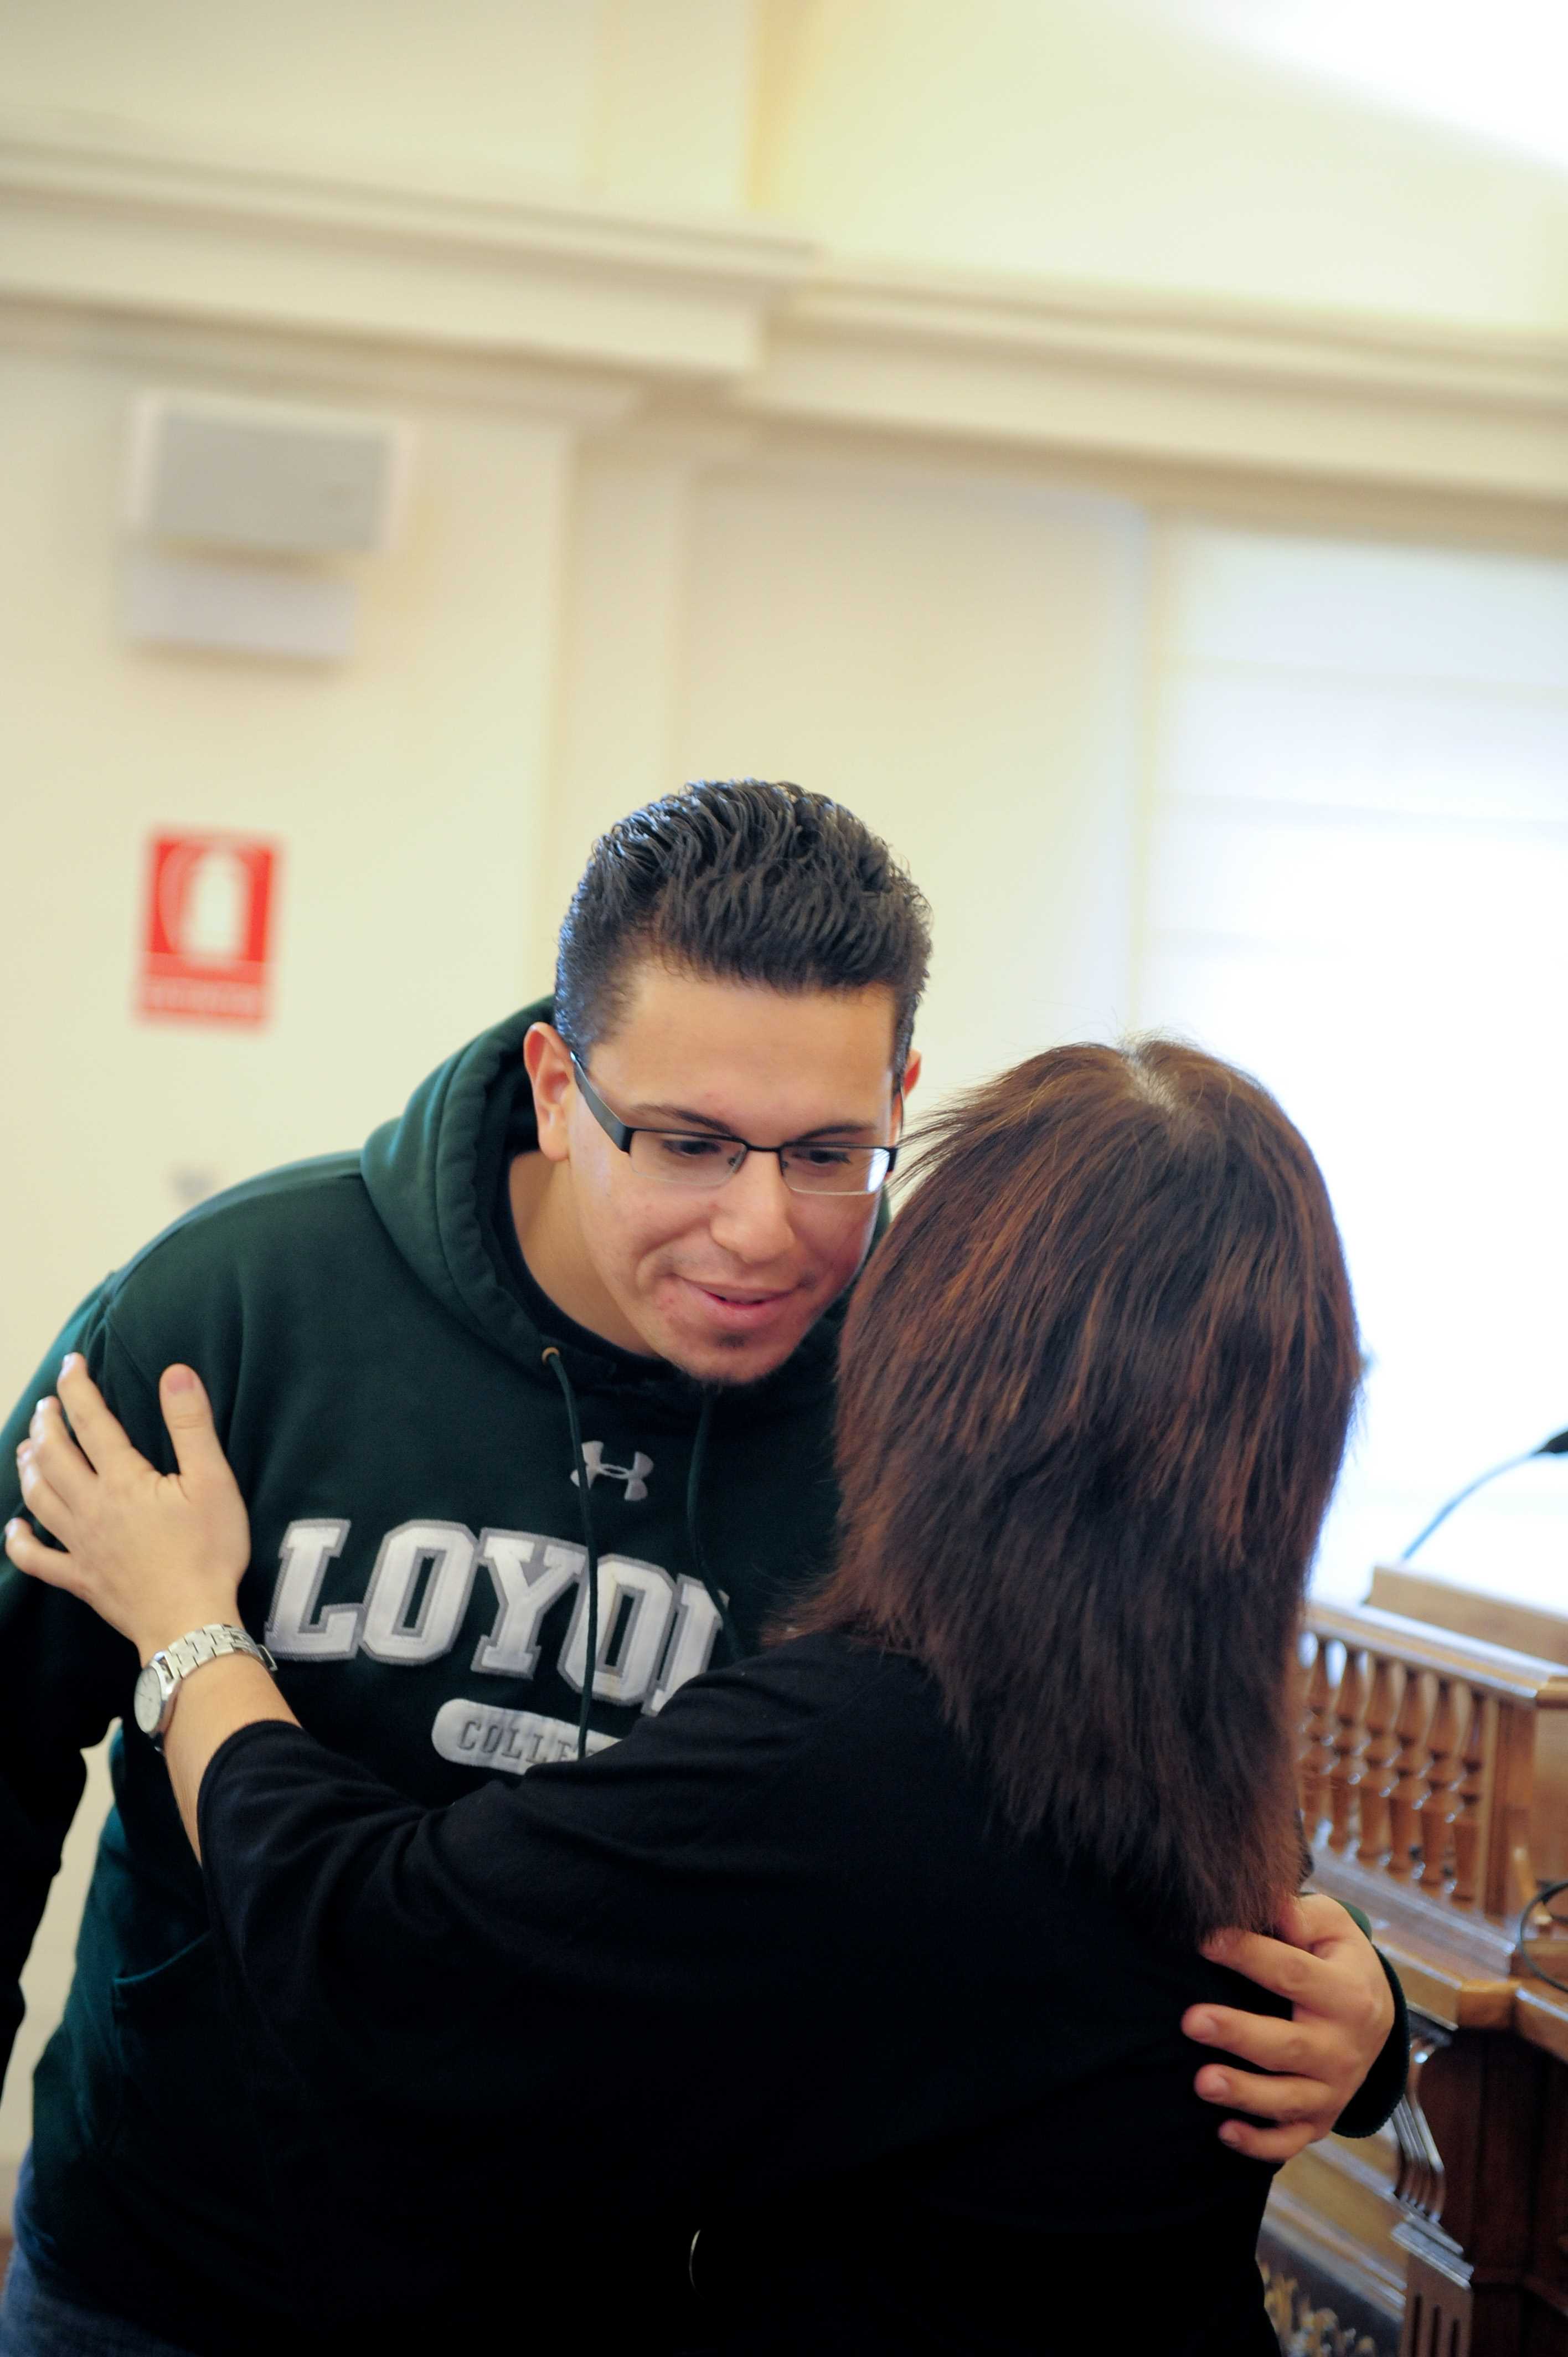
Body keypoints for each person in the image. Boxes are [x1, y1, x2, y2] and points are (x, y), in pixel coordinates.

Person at [0, 783, 1399, 2355]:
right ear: (556, 1084)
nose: (758, 1231)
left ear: (901, 1101)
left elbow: (1118, 1767)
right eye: (685, 1145)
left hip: (615, 2307)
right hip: (172, 2279)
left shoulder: (940, 1404)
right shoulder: (239, 1311)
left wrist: (1361, 2011)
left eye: (826, 1154)